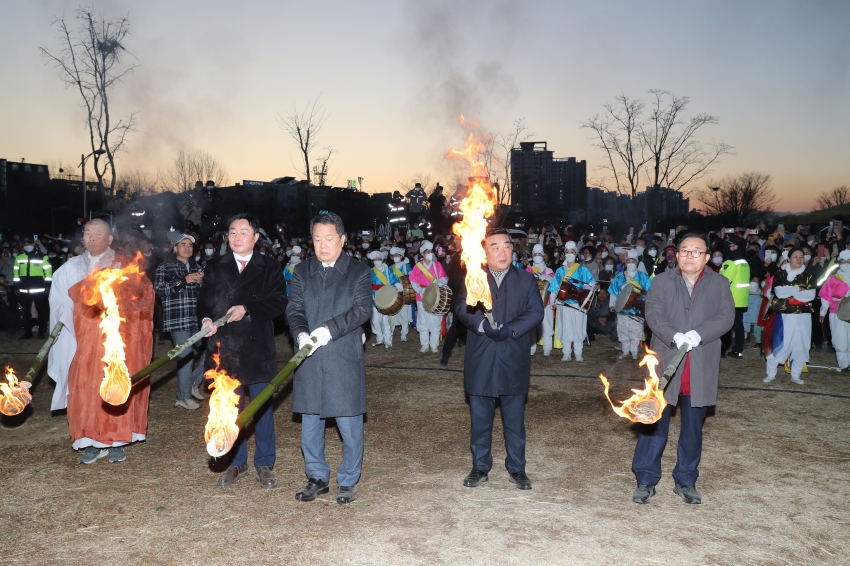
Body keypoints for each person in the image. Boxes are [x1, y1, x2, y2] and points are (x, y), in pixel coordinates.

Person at [631, 233, 735, 505]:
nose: (690, 256)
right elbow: (653, 314)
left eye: (696, 251)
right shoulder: (662, 282)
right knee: (653, 422)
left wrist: (698, 335)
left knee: (693, 428)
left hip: (700, 363)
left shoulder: (720, 283)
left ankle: (686, 480)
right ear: (676, 255)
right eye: (685, 251)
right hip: (666, 361)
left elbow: (726, 317)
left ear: (707, 257)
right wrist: (675, 336)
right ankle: (645, 478)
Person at [47, 219, 154, 464]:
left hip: (117, 340)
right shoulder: (69, 268)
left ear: (110, 239)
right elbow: (60, 303)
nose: (92, 238)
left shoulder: (124, 266)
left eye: (98, 233)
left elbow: (143, 298)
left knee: (114, 384)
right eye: (87, 233)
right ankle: (91, 442)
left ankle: (117, 440)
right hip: (83, 342)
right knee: (85, 388)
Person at [286, 212, 372, 505]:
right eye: (317, 239)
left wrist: (327, 331)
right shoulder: (302, 272)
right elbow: (294, 309)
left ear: (343, 239)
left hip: (342, 356)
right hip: (309, 360)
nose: (323, 245)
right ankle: (317, 477)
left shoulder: (358, 271)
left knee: (349, 425)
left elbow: (362, 310)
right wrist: (300, 334)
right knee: (310, 425)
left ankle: (348, 480)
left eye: (330, 238)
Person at [198, 213, 288, 489]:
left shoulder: (270, 266)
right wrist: (205, 320)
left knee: (261, 410)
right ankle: (236, 463)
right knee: (230, 408)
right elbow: (204, 301)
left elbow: (279, 302)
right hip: (224, 348)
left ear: (256, 237)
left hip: (257, 347)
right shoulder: (215, 266)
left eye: (243, 232)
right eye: (233, 231)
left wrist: (247, 308)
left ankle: (264, 463)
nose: (237, 237)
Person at [455, 227, 544, 490]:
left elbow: (536, 311)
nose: (502, 251)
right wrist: (482, 326)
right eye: (495, 246)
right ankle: (480, 466)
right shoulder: (474, 276)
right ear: (484, 251)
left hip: (512, 356)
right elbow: (462, 308)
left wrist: (510, 329)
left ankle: (517, 468)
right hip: (481, 356)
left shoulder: (525, 280)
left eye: (506, 245)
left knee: (514, 420)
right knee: (480, 419)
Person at [154, 233, 206, 410]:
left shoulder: (197, 267)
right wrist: (183, 281)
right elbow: (160, 290)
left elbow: (205, 296)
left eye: (190, 245)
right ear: (175, 248)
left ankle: (192, 382)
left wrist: (201, 283)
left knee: (212, 348)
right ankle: (182, 398)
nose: (187, 248)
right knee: (185, 356)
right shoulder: (165, 267)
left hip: (196, 319)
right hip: (178, 318)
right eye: (183, 244)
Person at [763, 248, 816, 385]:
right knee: (782, 343)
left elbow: (810, 295)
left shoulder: (809, 274)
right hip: (786, 314)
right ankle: (771, 373)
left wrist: (791, 293)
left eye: (801, 256)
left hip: (804, 315)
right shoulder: (781, 273)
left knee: (801, 344)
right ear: (789, 258)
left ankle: (796, 375)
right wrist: (799, 289)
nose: (799, 259)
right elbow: (780, 292)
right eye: (795, 256)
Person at [549, 241, 596, 362]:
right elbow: (554, 288)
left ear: (576, 254)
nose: (570, 254)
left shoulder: (582, 269)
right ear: (564, 254)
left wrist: (589, 288)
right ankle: (566, 352)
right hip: (563, 303)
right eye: (567, 252)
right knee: (565, 326)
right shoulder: (560, 270)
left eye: (572, 252)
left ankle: (578, 352)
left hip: (578, 303)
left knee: (578, 326)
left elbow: (590, 284)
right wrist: (552, 301)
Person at [608, 251, 652, 360]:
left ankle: (634, 352)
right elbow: (613, 293)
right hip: (622, 309)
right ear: (625, 263)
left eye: (633, 261)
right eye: (629, 261)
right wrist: (612, 305)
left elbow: (651, 292)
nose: (631, 263)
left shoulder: (643, 277)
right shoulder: (619, 277)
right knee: (623, 330)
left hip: (637, 310)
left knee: (636, 331)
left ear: (637, 263)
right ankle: (625, 351)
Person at [408, 240, 448, 353]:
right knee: (423, 320)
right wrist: (420, 290)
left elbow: (444, 278)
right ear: (422, 253)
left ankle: (434, 345)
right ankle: (424, 344)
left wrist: (438, 283)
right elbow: (413, 281)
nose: (430, 254)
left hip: (435, 296)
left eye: (431, 251)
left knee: (435, 319)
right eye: (427, 252)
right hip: (421, 297)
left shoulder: (437, 265)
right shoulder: (417, 267)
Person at [13, 237, 52, 339]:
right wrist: (16, 287)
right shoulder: (19, 258)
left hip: (39, 288)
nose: (27, 245)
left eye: (29, 243)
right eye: (25, 244)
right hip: (24, 289)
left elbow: (48, 272)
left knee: (41, 311)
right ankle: (27, 332)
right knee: (25, 311)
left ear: (34, 244)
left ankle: (42, 332)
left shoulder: (42, 256)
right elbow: (16, 273)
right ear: (23, 246)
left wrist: (47, 285)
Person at [719, 236, 751, 359]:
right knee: (738, 325)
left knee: (724, 325)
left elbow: (723, 281)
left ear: (736, 246)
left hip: (730, 299)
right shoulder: (744, 262)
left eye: (729, 244)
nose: (727, 247)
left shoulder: (730, 261)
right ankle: (738, 350)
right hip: (741, 299)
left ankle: (722, 350)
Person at [819, 250, 850, 371]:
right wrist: (822, 312)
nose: (846, 264)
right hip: (836, 311)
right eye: (843, 262)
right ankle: (844, 364)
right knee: (839, 337)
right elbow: (825, 297)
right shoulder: (833, 278)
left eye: (849, 262)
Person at [526, 244, 555, 356]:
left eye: (539, 254)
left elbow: (554, 286)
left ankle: (547, 348)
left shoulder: (548, 270)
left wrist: (548, 278)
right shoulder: (528, 270)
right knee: (532, 325)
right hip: (532, 303)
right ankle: (532, 347)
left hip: (546, 303)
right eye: (535, 254)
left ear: (543, 256)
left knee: (547, 325)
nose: (537, 256)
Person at [367, 250, 399, 348]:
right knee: (375, 321)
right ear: (372, 261)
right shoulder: (370, 271)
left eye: (379, 259)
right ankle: (379, 339)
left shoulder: (388, 271)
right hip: (374, 299)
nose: (377, 261)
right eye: (375, 259)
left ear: (382, 259)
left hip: (385, 298)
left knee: (385, 320)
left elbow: (395, 281)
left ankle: (388, 341)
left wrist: (397, 286)